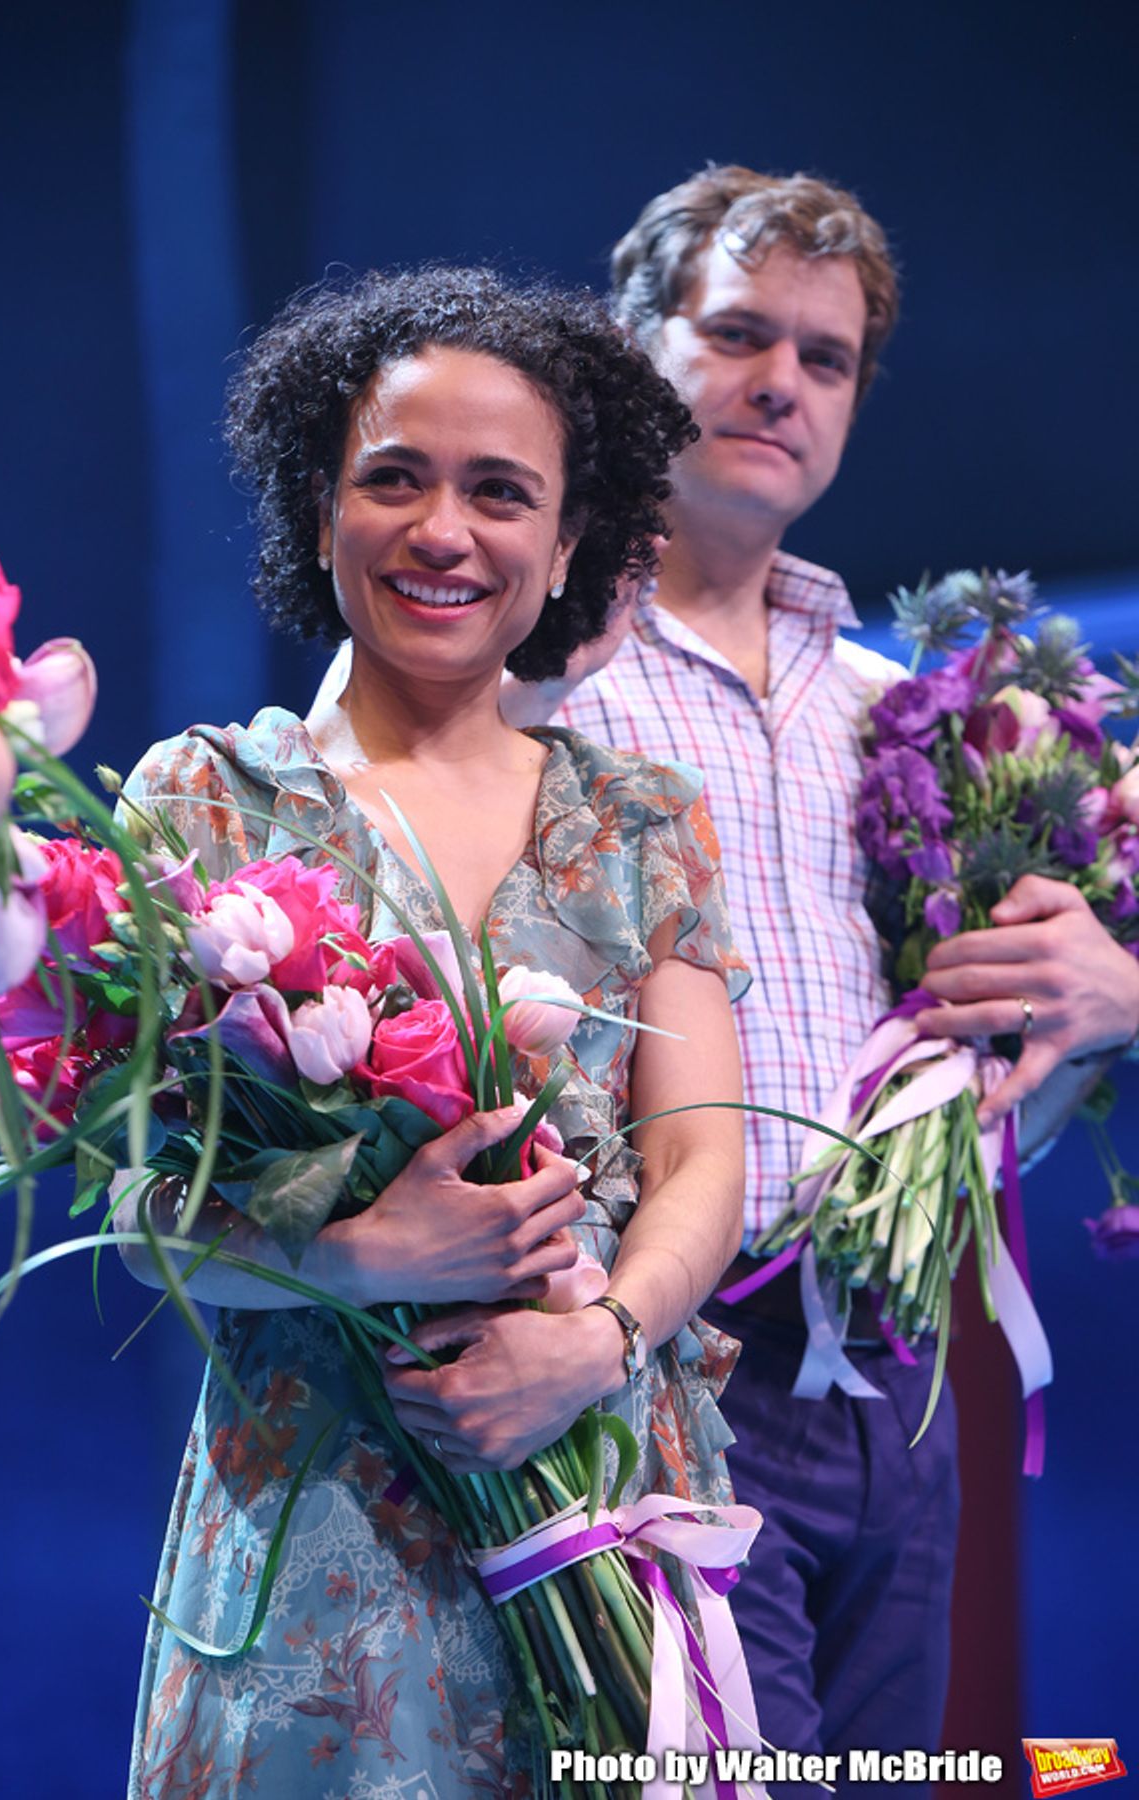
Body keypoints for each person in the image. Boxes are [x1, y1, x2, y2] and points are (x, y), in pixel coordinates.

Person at [495, 166, 1139, 1793]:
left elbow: (999, 1085)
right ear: (628, 351)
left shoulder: (910, 718)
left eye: (827, 355)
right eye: (734, 333)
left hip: (896, 1376)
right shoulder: (511, 665)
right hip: (655, 1363)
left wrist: (1102, 1001)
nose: (781, 379)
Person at [114, 266, 751, 1798]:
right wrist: (356, 1260)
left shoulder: (640, 817)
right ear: (315, 505)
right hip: (308, 1556)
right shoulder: (201, 805)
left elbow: (704, 1162)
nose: (444, 531)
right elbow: (140, 1216)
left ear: (571, 542)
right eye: (392, 479)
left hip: (595, 1491)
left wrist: (595, 1345)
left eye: (500, 492)